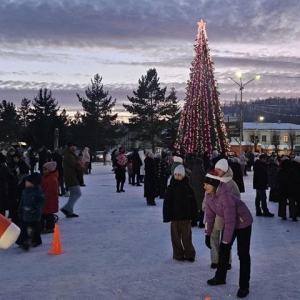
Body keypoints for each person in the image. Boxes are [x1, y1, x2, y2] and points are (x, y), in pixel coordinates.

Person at [204, 171, 253, 298]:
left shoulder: (225, 197)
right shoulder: (209, 196)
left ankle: (244, 286)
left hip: (243, 223)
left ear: (214, 184)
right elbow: (209, 217)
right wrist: (207, 234)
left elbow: (230, 220)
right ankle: (220, 277)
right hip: (231, 222)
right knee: (224, 250)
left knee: (242, 253)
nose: (204, 186)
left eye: (206, 184)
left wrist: (226, 241)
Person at [206, 158, 240, 270]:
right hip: (214, 215)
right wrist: (205, 206)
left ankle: (226, 261)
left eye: (220, 169)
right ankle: (215, 260)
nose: (217, 171)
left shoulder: (231, 184)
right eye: (216, 169)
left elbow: (236, 199)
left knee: (226, 239)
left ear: (224, 170)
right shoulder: (212, 180)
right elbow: (207, 193)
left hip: (226, 216)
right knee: (213, 237)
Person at [163, 164, 198, 261]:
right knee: (175, 237)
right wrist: (166, 216)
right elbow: (167, 203)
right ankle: (178, 253)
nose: (177, 176)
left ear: (183, 175)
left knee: (187, 236)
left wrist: (195, 216)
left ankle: (189, 253)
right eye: (176, 174)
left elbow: (193, 202)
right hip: (175, 216)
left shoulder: (188, 187)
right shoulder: (171, 187)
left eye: (179, 175)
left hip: (186, 216)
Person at [18, 172, 45, 250]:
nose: (25, 183)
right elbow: (22, 201)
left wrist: (35, 208)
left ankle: (36, 241)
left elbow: (42, 201)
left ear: (32, 183)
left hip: (34, 214)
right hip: (26, 213)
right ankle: (24, 241)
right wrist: (20, 210)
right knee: (25, 227)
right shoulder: (24, 191)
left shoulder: (38, 191)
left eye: (27, 181)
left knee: (34, 228)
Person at [60, 142, 85, 218]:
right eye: (74, 146)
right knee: (77, 193)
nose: (76, 148)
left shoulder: (69, 155)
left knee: (74, 194)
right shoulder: (69, 156)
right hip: (71, 176)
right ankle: (67, 208)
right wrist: (81, 167)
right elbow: (75, 165)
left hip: (71, 176)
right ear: (71, 147)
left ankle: (69, 210)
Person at [41, 161, 59, 233]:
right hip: (46, 199)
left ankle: (50, 227)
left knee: (49, 214)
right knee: (44, 213)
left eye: (45, 169)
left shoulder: (52, 179)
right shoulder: (45, 177)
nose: (43, 171)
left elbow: (50, 191)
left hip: (50, 200)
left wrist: (44, 196)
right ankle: (44, 226)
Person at [190, 157, 206, 228]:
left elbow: (190, 181)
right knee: (202, 207)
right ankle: (201, 223)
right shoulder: (202, 172)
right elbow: (204, 182)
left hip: (193, 191)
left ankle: (194, 221)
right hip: (201, 191)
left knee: (194, 206)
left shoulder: (192, 171)